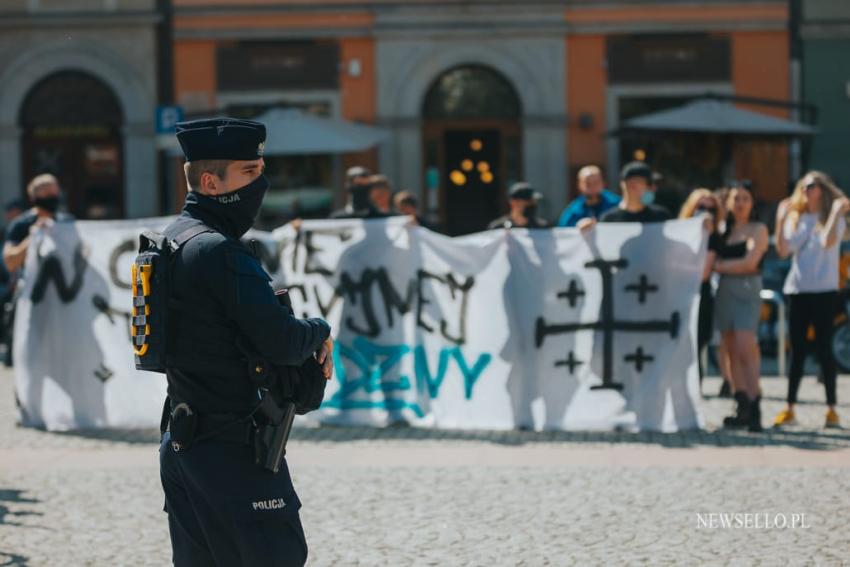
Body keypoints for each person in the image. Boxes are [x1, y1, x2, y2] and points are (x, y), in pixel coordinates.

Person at [158, 117, 334, 566]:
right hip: (233, 447)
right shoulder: (220, 251)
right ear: (212, 181)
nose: (262, 182)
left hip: (184, 443)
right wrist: (320, 330)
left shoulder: (173, 240)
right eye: (250, 173)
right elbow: (281, 342)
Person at [773, 171, 850, 428]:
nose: (807, 190)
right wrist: (780, 218)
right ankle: (789, 407)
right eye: (804, 186)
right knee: (797, 351)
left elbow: (828, 242)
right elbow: (783, 251)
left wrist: (837, 212)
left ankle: (831, 410)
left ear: (822, 189)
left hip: (824, 291)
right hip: (798, 289)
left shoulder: (833, 219)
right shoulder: (796, 218)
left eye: (812, 186)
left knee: (825, 349)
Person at [713, 184, 768, 432]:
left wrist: (721, 266)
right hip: (725, 292)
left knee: (747, 348)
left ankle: (756, 403)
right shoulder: (723, 231)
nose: (740, 203)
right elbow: (713, 258)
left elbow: (751, 263)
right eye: (736, 199)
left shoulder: (758, 229)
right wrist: (726, 265)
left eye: (745, 198)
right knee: (731, 349)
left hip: (747, 291)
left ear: (752, 203)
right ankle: (741, 403)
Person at [679, 189, 724, 388]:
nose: (705, 212)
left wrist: (707, 233)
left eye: (710, 208)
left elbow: (704, 273)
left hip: (701, 297)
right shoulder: (679, 234)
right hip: (678, 296)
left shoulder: (714, 237)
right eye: (701, 207)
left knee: (696, 347)